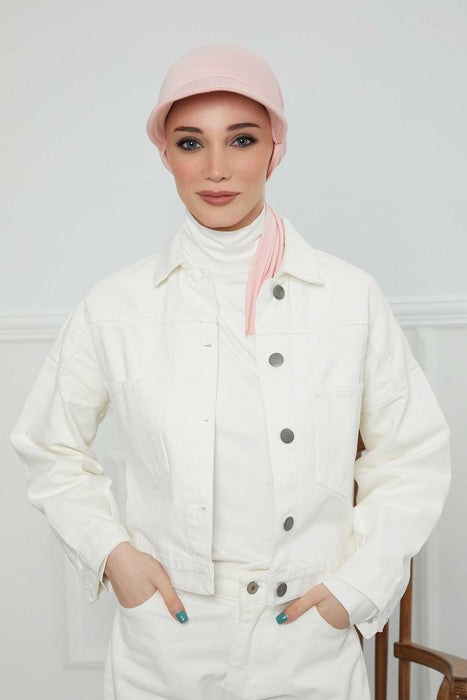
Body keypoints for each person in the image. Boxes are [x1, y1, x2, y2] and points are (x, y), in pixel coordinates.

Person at [9, 44, 451, 700]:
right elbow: (48, 446)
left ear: (274, 149)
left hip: (306, 635)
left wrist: (352, 591)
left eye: (241, 139)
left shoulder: (348, 298)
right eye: (191, 143)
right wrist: (113, 556)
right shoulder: (116, 306)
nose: (216, 168)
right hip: (167, 636)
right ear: (165, 155)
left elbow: (411, 457)